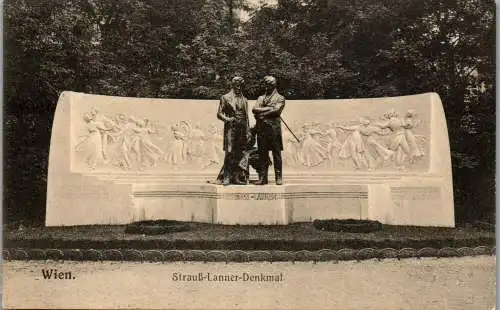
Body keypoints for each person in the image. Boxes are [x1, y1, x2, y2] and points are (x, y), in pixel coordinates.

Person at [216, 76, 250, 185]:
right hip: (231, 128)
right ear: (233, 85)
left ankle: (236, 177)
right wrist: (227, 119)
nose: (239, 88)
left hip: (242, 127)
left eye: (241, 86)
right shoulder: (225, 97)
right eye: (237, 85)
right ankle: (226, 177)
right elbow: (219, 113)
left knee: (239, 153)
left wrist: (248, 130)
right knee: (229, 152)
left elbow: (247, 116)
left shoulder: (245, 99)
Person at [252, 76, 286, 185]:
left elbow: (277, 111)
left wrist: (262, 115)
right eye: (267, 84)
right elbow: (254, 109)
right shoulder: (261, 98)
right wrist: (269, 108)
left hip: (274, 129)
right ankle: (263, 178)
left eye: (271, 84)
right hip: (261, 129)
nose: (268, 86)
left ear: (274, 85)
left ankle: (278, 177)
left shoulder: (280, 98)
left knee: (276, 153)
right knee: (262, 154)